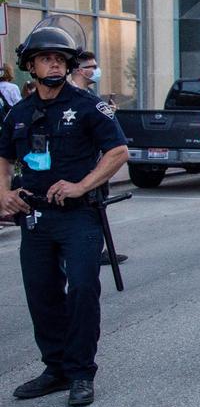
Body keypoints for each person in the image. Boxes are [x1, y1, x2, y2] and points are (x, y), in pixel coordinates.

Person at [0, 15, 129, 407]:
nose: (54, 64)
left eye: (60, 59)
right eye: (45, 59)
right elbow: (3, 160)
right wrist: (2, 194)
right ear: (31, 66)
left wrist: (82, 185)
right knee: (42, 294)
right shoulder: (18, 112)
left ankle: (80, 372)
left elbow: (118, 152)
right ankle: (54, 368)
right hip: (34, 217)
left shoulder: (89, 106)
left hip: (78, 215)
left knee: (83, 289)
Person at [69, 51, 127, 266]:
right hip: (78, 167)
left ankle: (97, 249)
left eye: (95, 66)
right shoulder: (68, 98)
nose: (95, 70)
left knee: (97, 208)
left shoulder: (91, 98)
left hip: (96, 164)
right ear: (78, 70)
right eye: (91, 66)